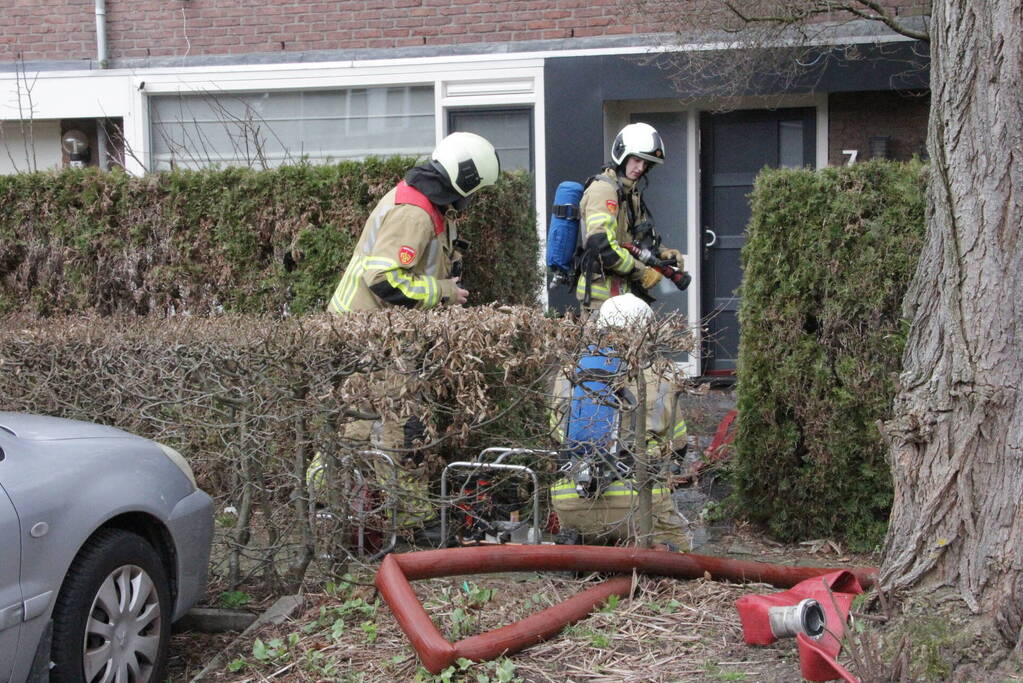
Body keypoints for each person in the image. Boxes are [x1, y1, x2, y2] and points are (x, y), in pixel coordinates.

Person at [318, 131, 501, 537]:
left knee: (364, 424)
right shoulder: (414, 213)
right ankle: (401, 518)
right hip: (367, 331)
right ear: (463, 181)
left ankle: (339, 506)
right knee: (393, 423)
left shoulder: (427, 200)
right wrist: (443, 291)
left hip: (377, 331)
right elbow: (384, 281)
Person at [549, 293, 692, 551]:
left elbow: (556, 435)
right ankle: (649, 549)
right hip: (639, 502)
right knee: (681, 549)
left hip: (571, 501)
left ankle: (579, 547)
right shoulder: (661, 375)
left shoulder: (568, 373)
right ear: (646, 331)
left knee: (586, 535)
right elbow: (678, 445)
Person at [576, 122, 685, 312]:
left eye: (645, 163)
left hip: (624, 297)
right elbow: (601, 245)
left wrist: (662, 254)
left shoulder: (630, 194)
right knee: (603, 343)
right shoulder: (603, 190)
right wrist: (641, 271)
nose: (640, 168)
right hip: (599, 300)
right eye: (636, 160)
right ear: (622, 155)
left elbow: (639, 241)